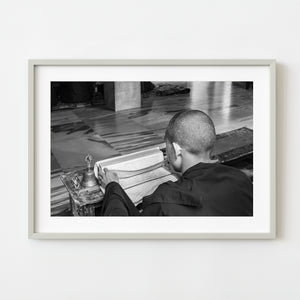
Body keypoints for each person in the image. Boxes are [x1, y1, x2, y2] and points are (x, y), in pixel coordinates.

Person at [97, 110, 253, 216]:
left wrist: (113, 188)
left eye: (167, 148)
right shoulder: (242, 180)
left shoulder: (165, 200)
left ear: (177, 150)